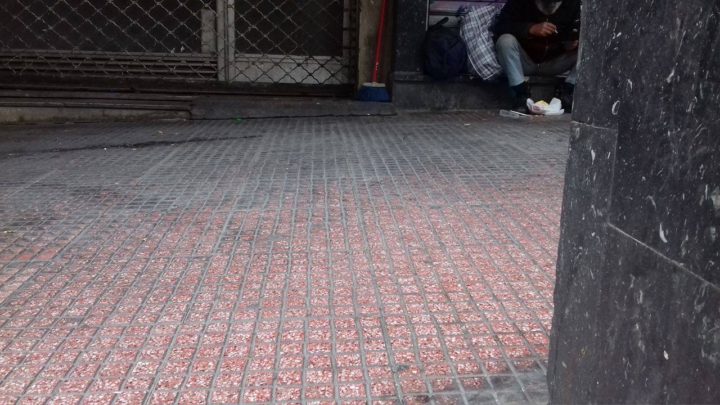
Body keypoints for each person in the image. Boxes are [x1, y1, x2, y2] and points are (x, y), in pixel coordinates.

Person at [492, 0, 581, 113]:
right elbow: (500, 26)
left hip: (555, 62)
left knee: (587, 49)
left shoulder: (573, 4)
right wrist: (530, 29)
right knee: (505, 41)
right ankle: (521, 94)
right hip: (525, 61)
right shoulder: (519, 3)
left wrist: (571, 43)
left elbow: (578, 30)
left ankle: (566, 93)